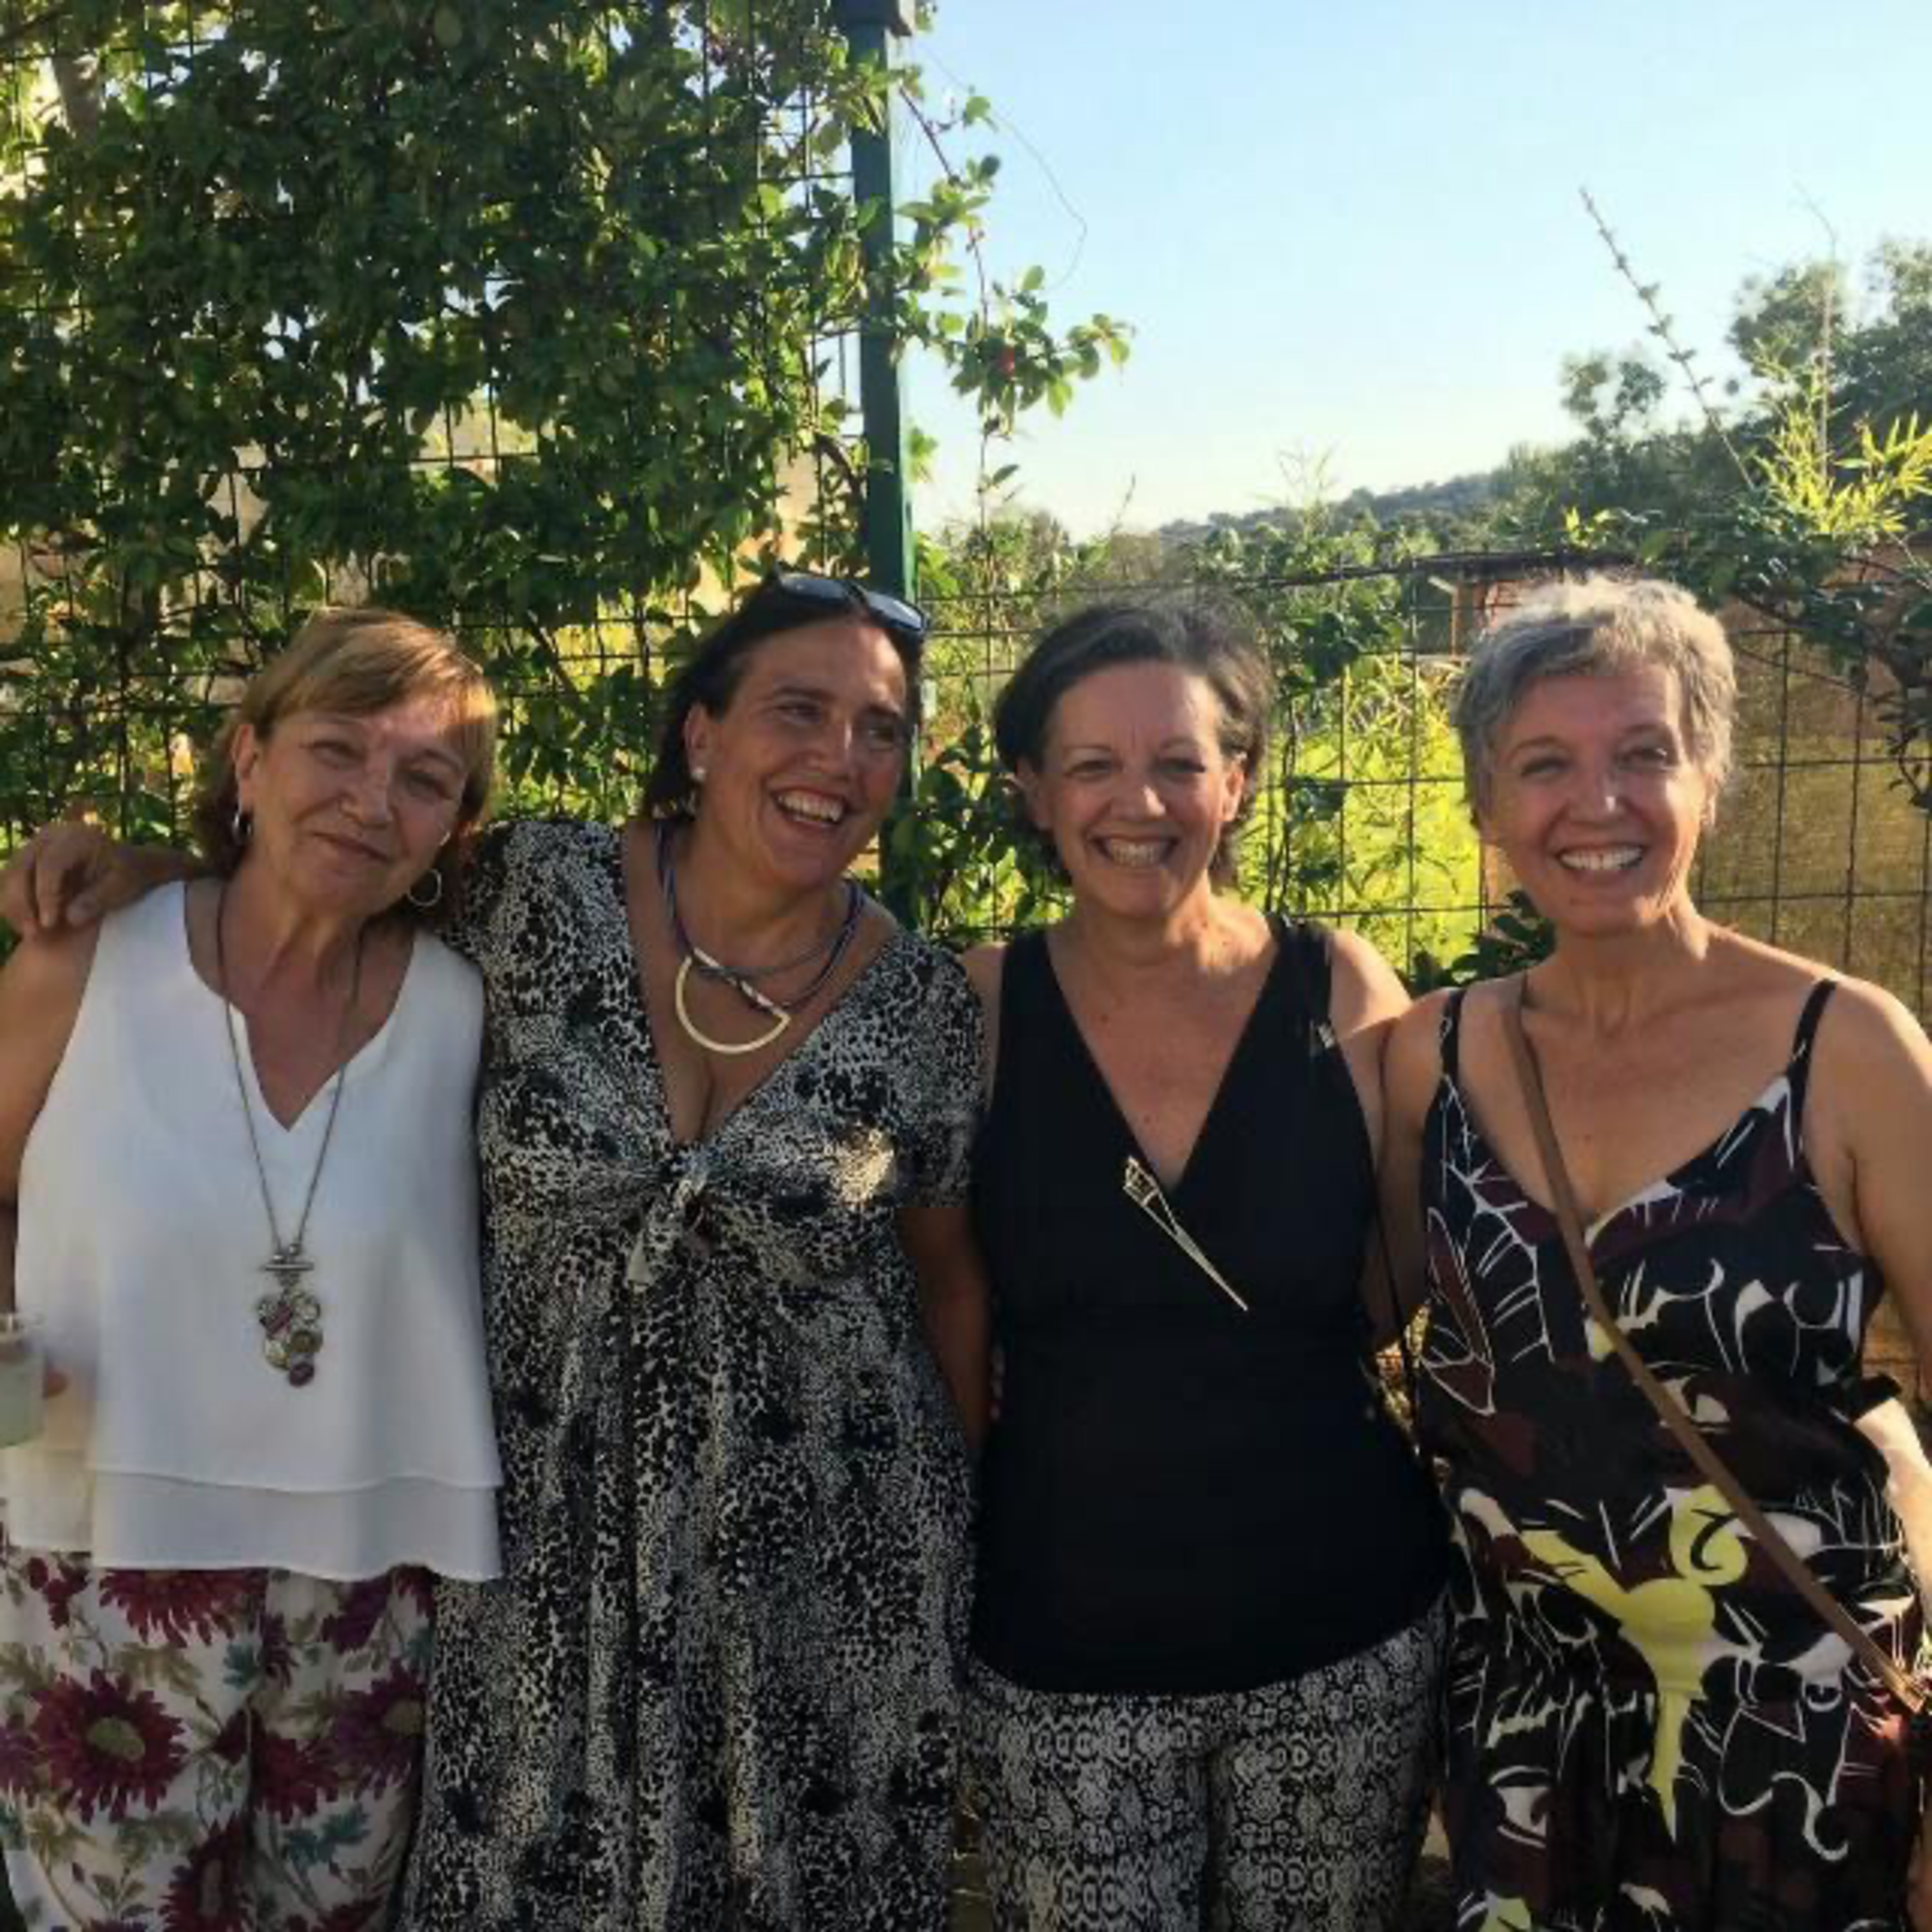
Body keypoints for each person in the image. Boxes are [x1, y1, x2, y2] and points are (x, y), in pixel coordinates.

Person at [3, 573, 992, 1931]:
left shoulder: (921, 1001)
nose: (839, 755)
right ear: (701, 734)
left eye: (880, 729)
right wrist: (137, 872)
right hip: (532, 1566)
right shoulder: (538, 897)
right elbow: (305, 881)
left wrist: (964, 1544)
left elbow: (948, 1279)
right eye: (799, 710)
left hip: (797, 1572)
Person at [1380, 575, 1932, 1932]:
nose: (1601, 803)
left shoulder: (1848, 1052)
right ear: (1486, 804)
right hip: (1526, 1737)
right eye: (1545, 765)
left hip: (1799, 1738)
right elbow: (1314, 1315)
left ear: (1710, 780)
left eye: (1645, 753)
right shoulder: (1426, 1060)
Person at [0, 607, 503, 1928]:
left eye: (424, 779)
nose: (371, 802)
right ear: (249, 758)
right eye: (337, 749)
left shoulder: (465, 1010)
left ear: (455, 830)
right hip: (103, 1550)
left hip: (368, 1585)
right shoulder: (85, 958)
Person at [960, 598, 1451, 1931]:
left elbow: (1397, 1275)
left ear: (1236, 781)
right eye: (1093, 765)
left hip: (1341, 1639)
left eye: (1180, 761)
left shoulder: (1343, 990)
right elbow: (939, 1283)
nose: (1140, 802)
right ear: (1034, 789)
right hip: (1062, 1653)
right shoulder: (981, 1008)